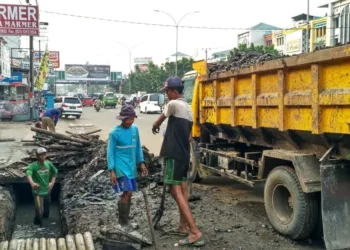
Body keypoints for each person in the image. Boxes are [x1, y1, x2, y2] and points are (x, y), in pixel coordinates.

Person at [152, 77, 204, 247]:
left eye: (167, 91)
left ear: (174, 91)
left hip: (173, 153)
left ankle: (195, 232)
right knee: (182, 189)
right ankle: (182, 227)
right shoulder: (188, 108)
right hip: (183, 154)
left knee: (175, 191)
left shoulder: (173, 104)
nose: (166, 95)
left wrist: (155, 125)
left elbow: (159, 119)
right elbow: (189, 136)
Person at [107, 104, 148, 225]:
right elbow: (110, 152)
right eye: (127, 119)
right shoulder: (114, 133)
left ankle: (125, 221)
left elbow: (137, 147)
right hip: (120, 167)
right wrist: (112, 170)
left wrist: (141, 163)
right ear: (122, 118)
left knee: (130, 193)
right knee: (127, 192)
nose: (130, 121)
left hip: (131, 167)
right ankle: (122, 222)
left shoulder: (135, 129)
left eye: (132, 118)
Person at [26, 147, 58, 225]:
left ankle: (46, 222)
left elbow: (55, 172)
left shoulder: (48, 164)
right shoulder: (33, 166)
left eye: (44, 154)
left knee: (46, 212)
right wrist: (32, 183)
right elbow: (28, 174)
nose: (43, 156)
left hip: (47, 191)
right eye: (41, 155)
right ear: (37, 156)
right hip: (37, 192)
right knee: (38, 211)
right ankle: (37, 225)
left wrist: (52, 183)